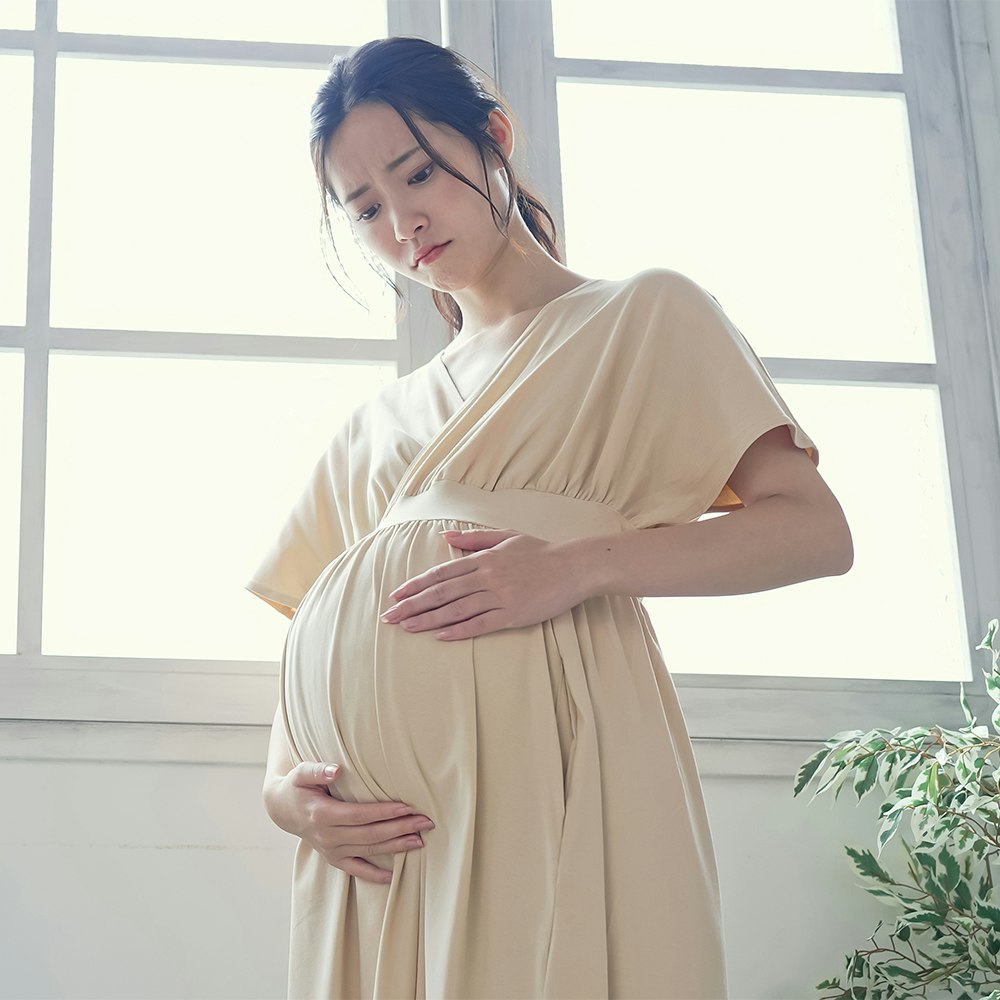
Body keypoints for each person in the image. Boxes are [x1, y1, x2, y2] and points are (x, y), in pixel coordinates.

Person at [248, 35, 853, 1000]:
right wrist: (287, 798)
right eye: (365, 209)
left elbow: (816, 531)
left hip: (549, 766)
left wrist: (578, 567)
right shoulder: (376, 423)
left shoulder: (642, 317)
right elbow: (303, 653)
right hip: (382, 851)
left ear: (493, 137)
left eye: (417, 175)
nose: (402, 221)